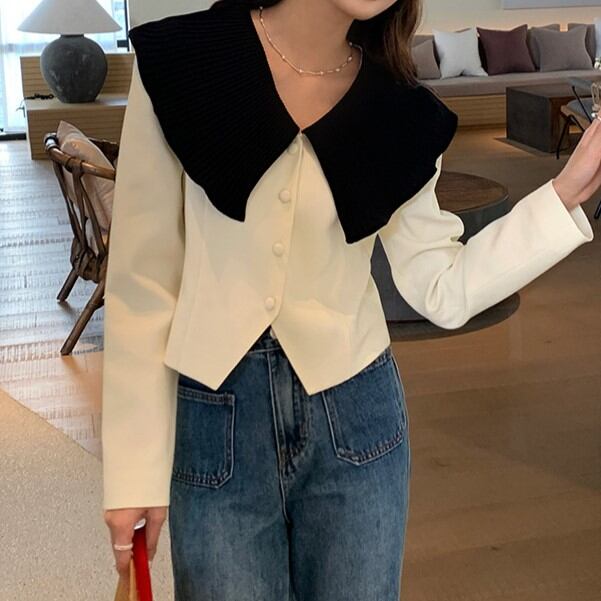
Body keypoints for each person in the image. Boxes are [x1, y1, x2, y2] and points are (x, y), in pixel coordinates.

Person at [101, 0, 596, 599]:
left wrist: (564, 194)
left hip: (358, 422)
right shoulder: (180, 60)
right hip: (215, 425)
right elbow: (142, 284)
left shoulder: (399, 109)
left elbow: (441, 286)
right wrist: (133, 469)